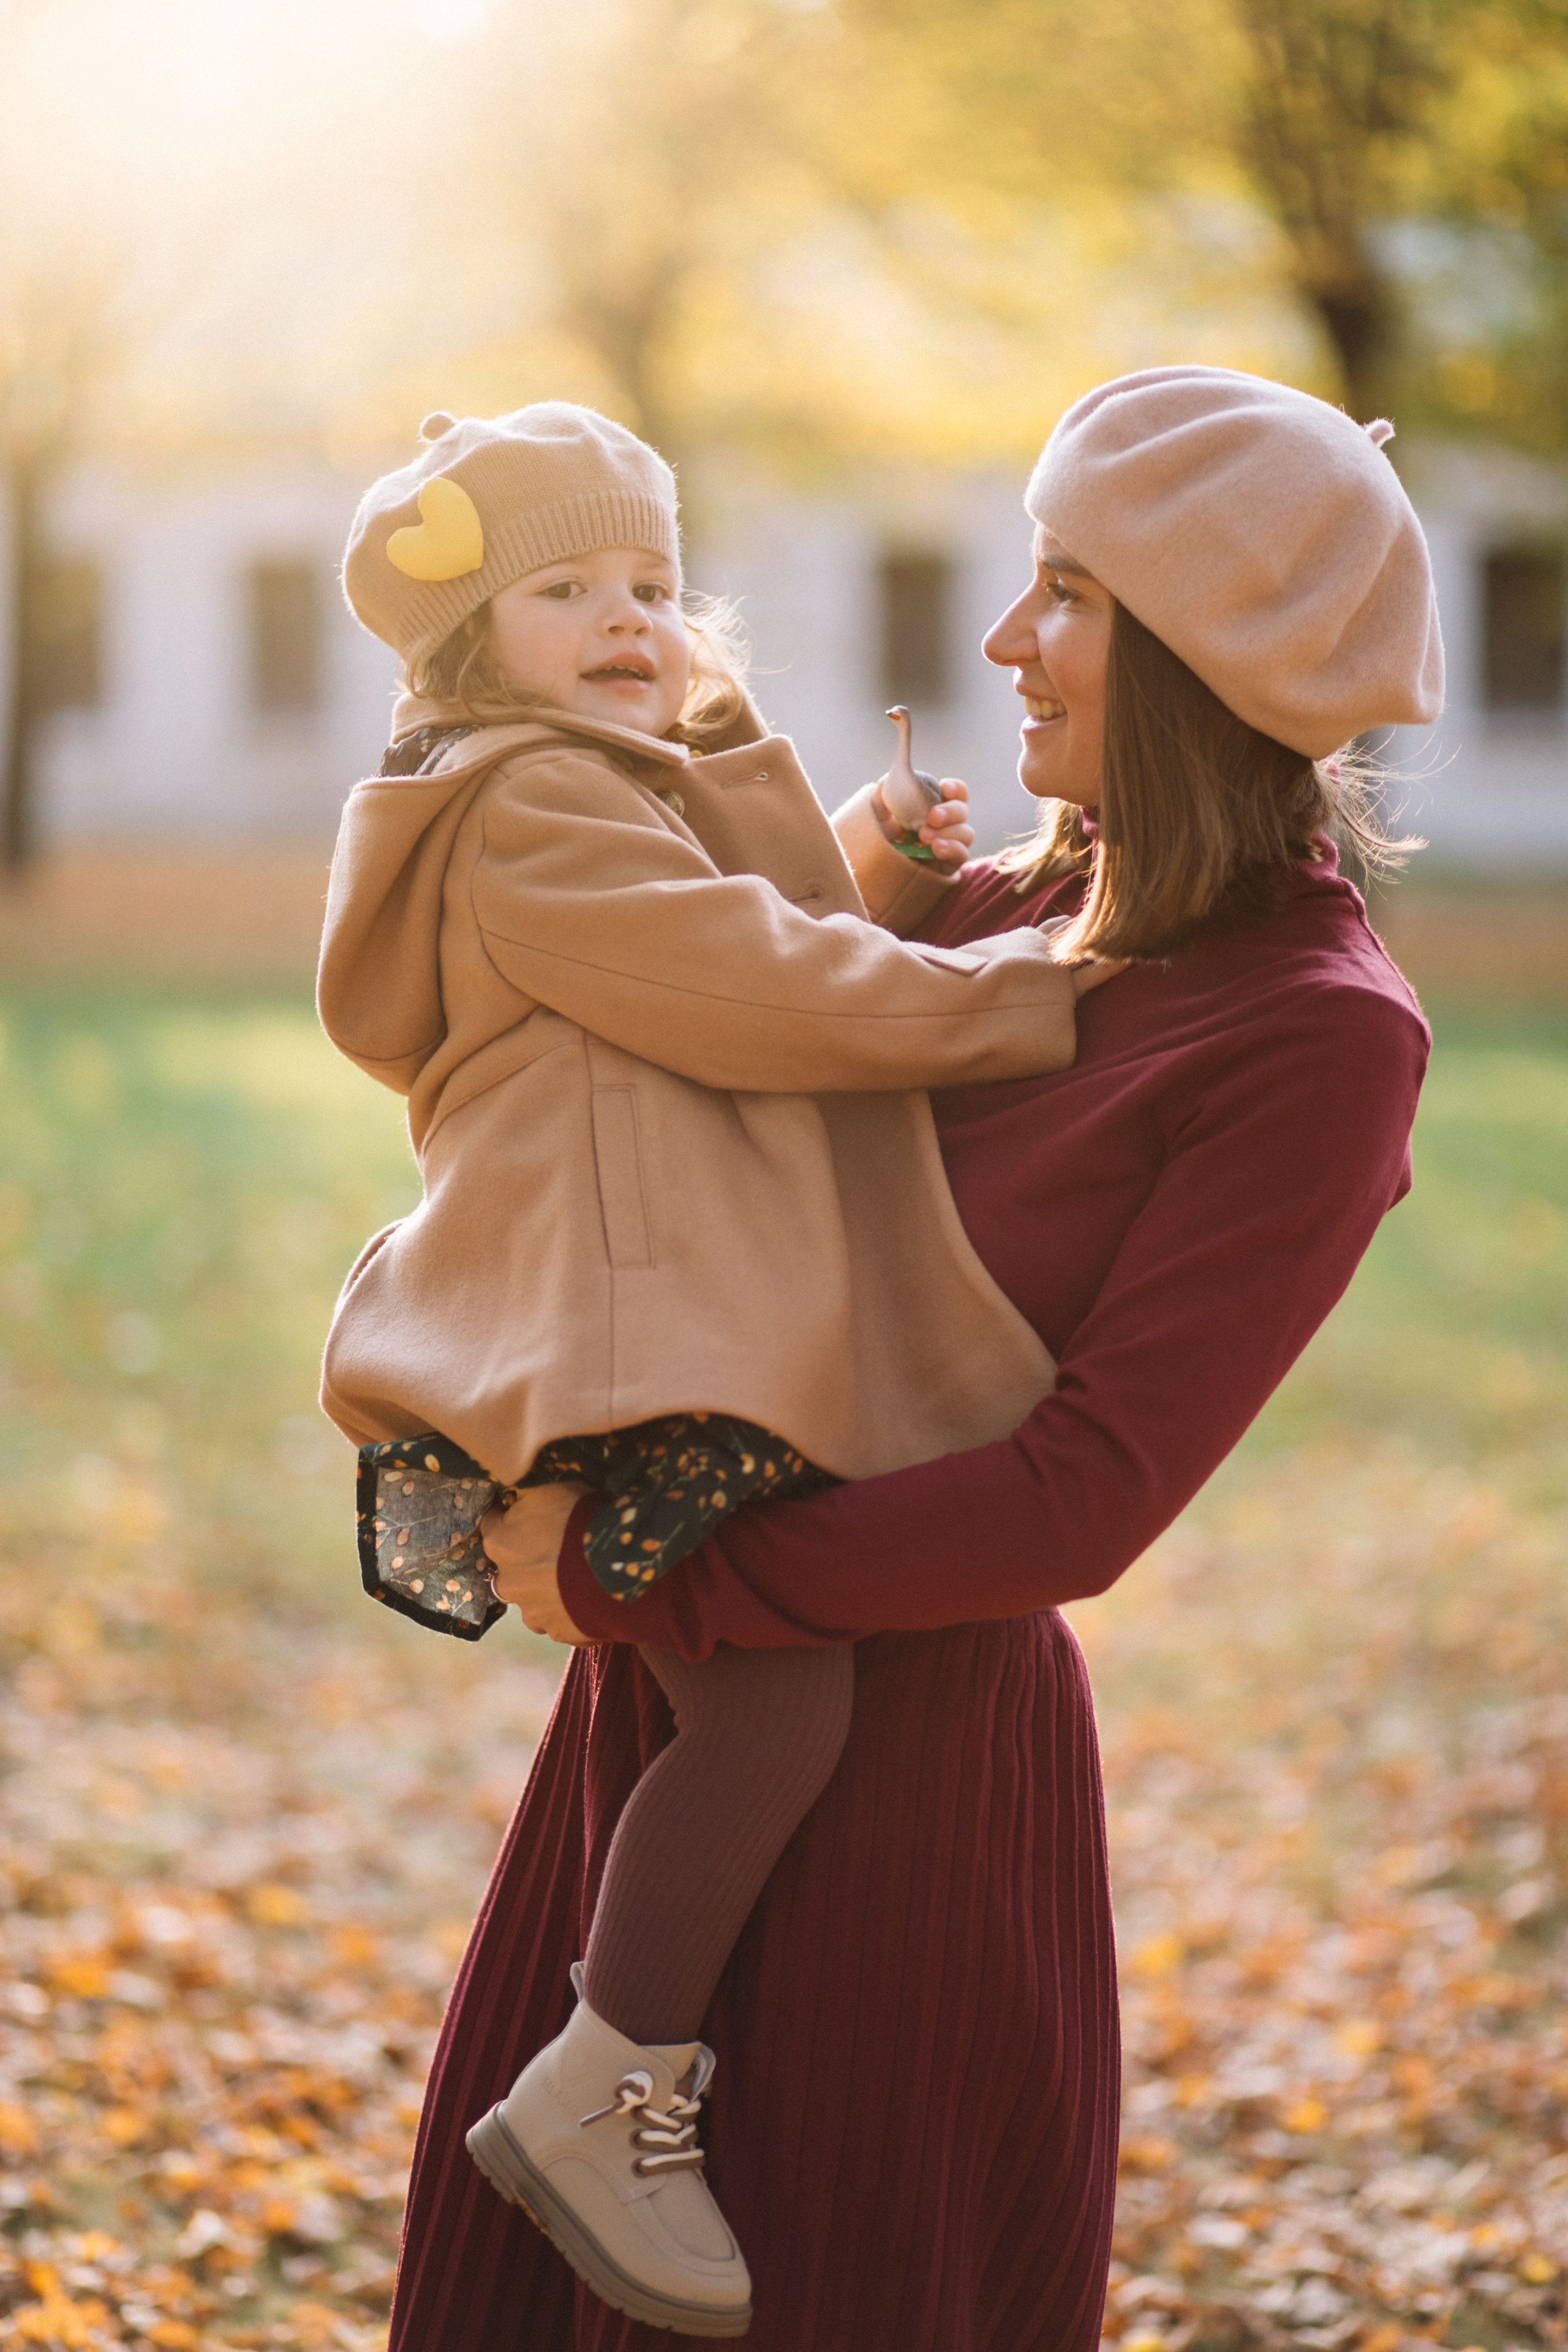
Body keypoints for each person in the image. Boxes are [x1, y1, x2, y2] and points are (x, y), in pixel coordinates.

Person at [393, 366, 1442, 2352]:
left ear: (1208, 654)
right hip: (679, 1730)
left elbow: (1088, 1490)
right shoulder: (1034, 911)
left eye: (1066, 594)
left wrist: (655, 1570)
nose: (1004, 642)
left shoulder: (1316, 1035)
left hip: (901, 1775)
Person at [317, 402, 1108, 2337]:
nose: (626, 618)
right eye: (565, 587)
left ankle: (620, 2062)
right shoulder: (528, 809)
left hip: (648, 1316)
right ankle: (613, 2077)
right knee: (769, 1709)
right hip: (621, 1338)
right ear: (462, 641)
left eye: (653, 585)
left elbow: (737, 941)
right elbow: (743, 989)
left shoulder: (601, 789)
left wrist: (875, 877)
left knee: (745, 1699)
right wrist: (1036, 991)